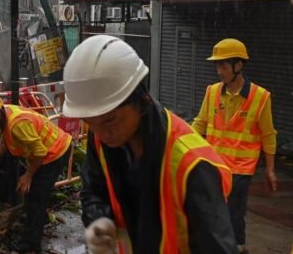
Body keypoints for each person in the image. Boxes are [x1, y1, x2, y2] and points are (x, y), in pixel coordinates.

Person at [63, 35, 237, 254]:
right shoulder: (102, 138)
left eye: (110, 120)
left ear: (142, 102)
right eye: (90, 122)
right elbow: (94, 189)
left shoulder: (192, 165)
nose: (101, 133)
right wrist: (98, 225)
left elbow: (217, 246)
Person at [192, 38, 278, 253]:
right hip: (214, 165)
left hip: (241, 169)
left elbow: (268, 135)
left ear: (238, 66)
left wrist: (270, 170)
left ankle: (237, 248)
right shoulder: (212, 92)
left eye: (223, 65)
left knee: (233, 212)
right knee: (211, 210)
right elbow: (199, 124)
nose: (218, 71)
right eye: (217, 65)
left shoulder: (260, 97)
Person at [0, 94, 72, 254]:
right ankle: (36, 224)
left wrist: (28, 176)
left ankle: (31, 247)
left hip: (54, 153)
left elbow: (40, 152)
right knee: (33, 196)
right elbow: (5, 139)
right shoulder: (5, 115)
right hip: (46, 153)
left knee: (35, 198)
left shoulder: (18, 125)